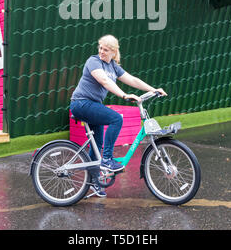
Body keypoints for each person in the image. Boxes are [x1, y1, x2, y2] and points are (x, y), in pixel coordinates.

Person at [70, 34, 167, 197]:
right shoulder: (93, 61)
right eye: (100, 48)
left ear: (114, 52)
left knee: (97, 143)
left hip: (93, 106)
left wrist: (153, 89)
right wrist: (124, 95)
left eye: (106, 50)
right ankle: (107, 159)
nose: (101, 51)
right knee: (116, 118)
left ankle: (94, 181)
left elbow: (132, 80)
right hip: (81, 103)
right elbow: (104, 81)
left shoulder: (113, 66)